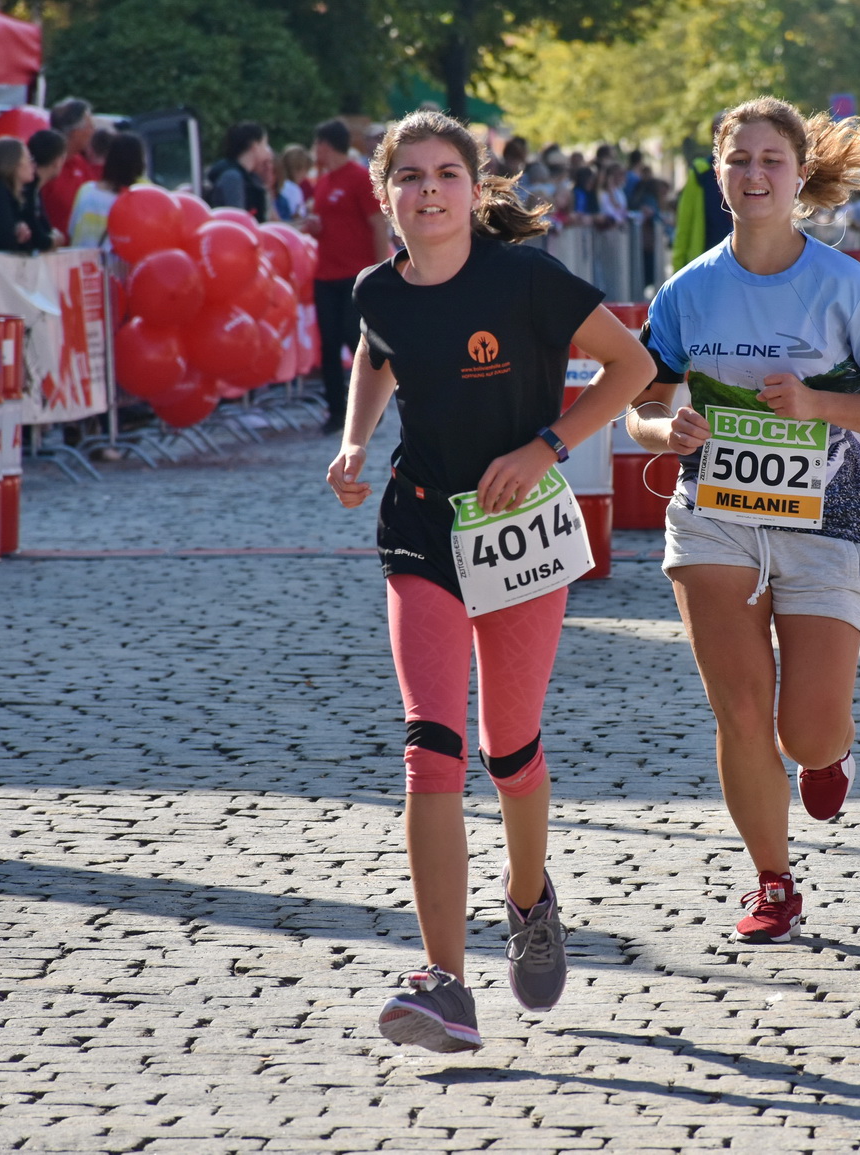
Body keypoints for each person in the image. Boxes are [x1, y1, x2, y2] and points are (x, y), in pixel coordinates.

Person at [325, 110, 652, 1052]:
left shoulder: (527, 280)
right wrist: (354, 439)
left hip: (518, 531)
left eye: (446, 174)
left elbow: (630, 365)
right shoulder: (376, 290)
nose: (429, 190)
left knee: (510, 749)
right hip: (422, 521)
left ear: (475, 189)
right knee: (432, 747)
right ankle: (445, 981)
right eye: (411, 177)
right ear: (388, 195)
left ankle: (528, 895)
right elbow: (375, 353)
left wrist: (547, 447)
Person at [626, 97, 860, 945]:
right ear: (719, 172)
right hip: (712, 517)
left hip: (825, 520)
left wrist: (816, 402)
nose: (754, 176)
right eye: (738, 160)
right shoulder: (689, 289)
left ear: (799, 178)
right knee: (741, 712)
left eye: (771, 161)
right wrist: (665, 428)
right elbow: (639, 406)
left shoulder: (843, 285)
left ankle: (828, 758)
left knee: (806, 727)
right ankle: (773, 880)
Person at [306, 117, 392, 436]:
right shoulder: (324, 181)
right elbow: (328, 223)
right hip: (326, 273)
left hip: (356, 275)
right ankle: (335, 412)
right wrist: (315, 229)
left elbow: (376, 225)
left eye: (317, 144)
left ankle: (371, 402)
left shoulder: (358, 177)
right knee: (327, 345)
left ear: (326, 145)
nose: (315, 150)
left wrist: (380, 270)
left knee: (353, 336)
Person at [66, 132, 148, 248]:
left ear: (110, 158)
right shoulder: (144, 197)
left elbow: (72, 231)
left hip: (85, 263)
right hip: (124, 264)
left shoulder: (86, 191)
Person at [671, 114, 731, 270]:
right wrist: (678, 267)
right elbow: (685, 224)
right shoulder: (700, 173)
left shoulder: (751, 172)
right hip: (705, 261)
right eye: (719, 131)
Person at [39, 98, 97, 238]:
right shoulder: (45, 165)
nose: (93, 130)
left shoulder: (80, 162)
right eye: (89, 125)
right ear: (76, 132)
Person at [206, 121, 271, 222]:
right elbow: (237, 221)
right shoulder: (232, 177)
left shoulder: (250, 177)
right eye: (265, 144)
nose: (268, 150)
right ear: (255, 146)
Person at [23, 129, 68, 249]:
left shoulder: (35, 189)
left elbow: (45, 229)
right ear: (58, 161)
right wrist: (52, 241)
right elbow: (37, 236)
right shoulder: (27, 188)